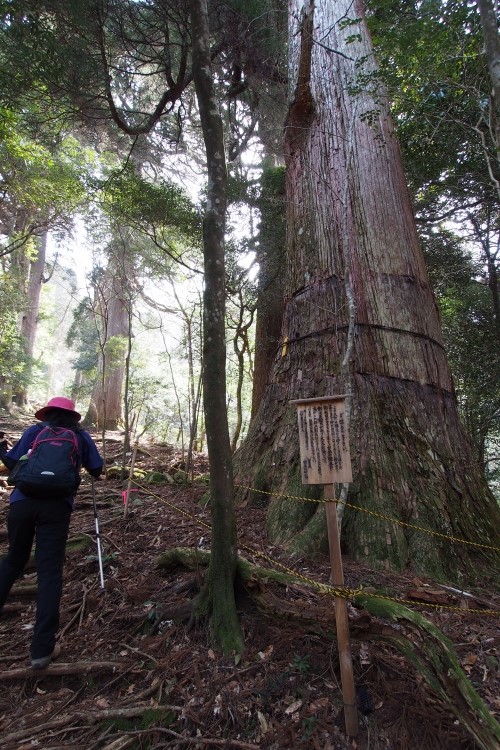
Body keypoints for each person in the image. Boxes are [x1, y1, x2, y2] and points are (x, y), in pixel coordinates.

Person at [0, 396, 103, 669]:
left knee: (13, 561)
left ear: (47, 413)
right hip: (56, 508)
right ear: (73, 416)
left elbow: (12, 463)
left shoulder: (35, 431)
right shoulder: (79, 436)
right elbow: (97, 469)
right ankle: (41, 650)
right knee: (49, 573)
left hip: (22, 503)